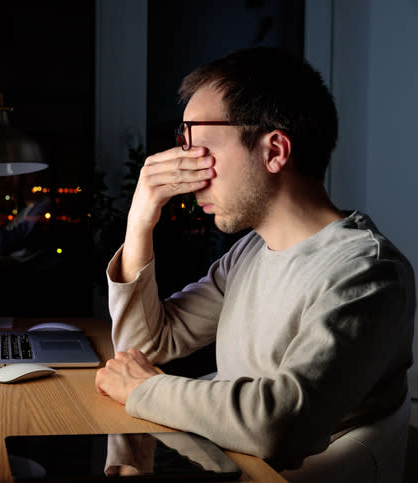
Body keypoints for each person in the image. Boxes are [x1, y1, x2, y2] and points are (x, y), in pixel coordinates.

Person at [94, 46, 415, 470]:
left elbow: (278, 424)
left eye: (202, 151)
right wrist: (140, 223)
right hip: (229, 465)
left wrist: (146, 389)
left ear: (274, 150)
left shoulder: (367, 274)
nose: (188, 177)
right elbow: (147, 345)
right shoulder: (251, 251)